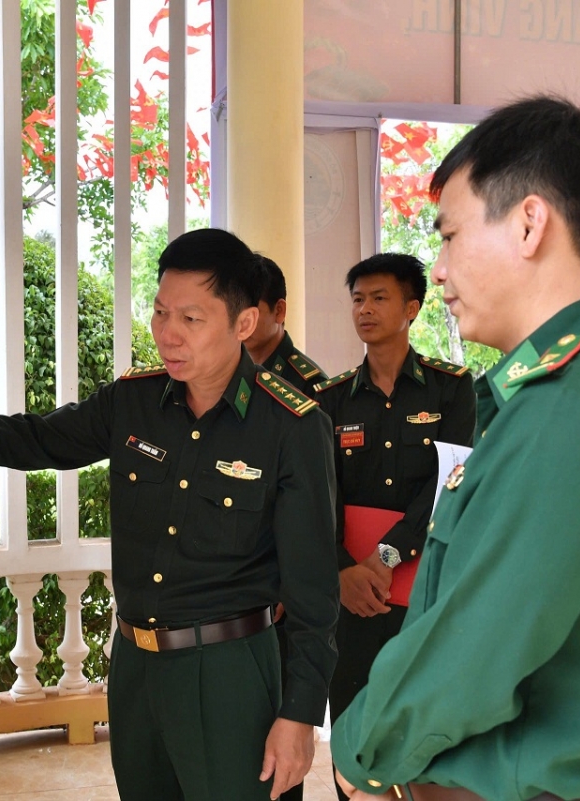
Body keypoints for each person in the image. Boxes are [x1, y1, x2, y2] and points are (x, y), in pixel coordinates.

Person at [0, 228, 340, 801]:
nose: (168, 334)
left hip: (230, 673)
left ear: (244, 323)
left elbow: (313, 593)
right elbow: (37, 441)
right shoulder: (133, 402)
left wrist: (300, 715)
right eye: (160, 313)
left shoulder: (292, 427)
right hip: (136, 670)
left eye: (192, 319)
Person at [331, 96, 580, 800]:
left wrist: (361, 748)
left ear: (529, 224)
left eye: (451, 235)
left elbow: (475, 645)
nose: (437, 270)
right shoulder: (575, 391)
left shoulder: (574, 411)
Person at [313, 253, 475, 801]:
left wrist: (383, 558)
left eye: (379, 298)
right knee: (354, 722)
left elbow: (449, 483)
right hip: (351, 595)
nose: (365, 309)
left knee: (422, 726)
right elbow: (316, 497)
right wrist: (342, 571)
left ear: (412, 307)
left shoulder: (450, 390)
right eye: (358, 298)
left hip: (420, 583)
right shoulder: (330, 399)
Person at [243, 254, 330, 801]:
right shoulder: (214, 375)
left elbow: (320, 505)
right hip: (233, 594)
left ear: (277, 311)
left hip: (281, 598)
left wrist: (282, 585)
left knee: (276, 746)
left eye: (251, 307)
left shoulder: (309, 388)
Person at [245, 255, 328, 396]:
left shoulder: (310, 385)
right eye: (234, 312)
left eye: (252, 313)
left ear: (279, 311)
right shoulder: (226, 372)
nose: (241, 323)